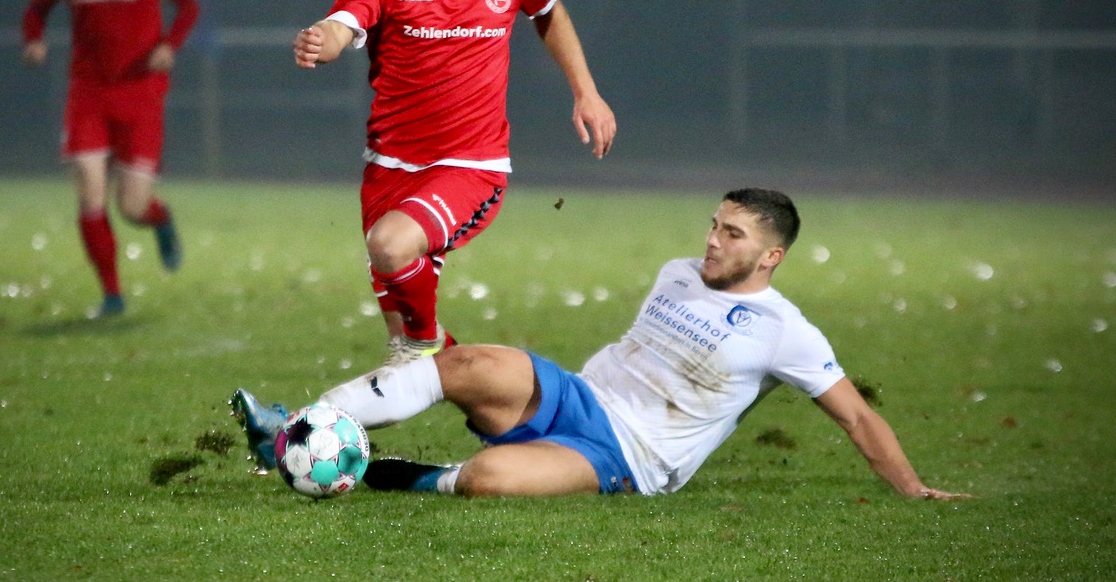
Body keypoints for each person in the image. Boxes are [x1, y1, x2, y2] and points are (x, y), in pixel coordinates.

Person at [231, 188, 970, 500]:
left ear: (771, 256)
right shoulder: (679, 272)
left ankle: (395, 475)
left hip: (627, 456)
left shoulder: (788, 331)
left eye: (732, 234)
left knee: (490, 481)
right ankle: (293, 428)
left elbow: (857, 415)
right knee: (461, 361)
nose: (711, 241)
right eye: (713, 224)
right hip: (574, 392)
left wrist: (911, 487)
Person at [292, 0, 616, 365]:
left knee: (392, 252)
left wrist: (586, 91)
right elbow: (345, 22)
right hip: (389, 168)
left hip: (470, 165)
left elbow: (548, 9)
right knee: (403, 354)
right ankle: (474, 395)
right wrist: (322, 40)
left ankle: (430, 346)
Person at [21, 0, 200, 318]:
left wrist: (169, 46)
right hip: (88, 93)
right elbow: (36, 9)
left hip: (141, 93)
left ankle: (160, 221)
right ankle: (112, 296)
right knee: (90, 194)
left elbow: (188, 7)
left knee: (132, 206)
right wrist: (34, 40)